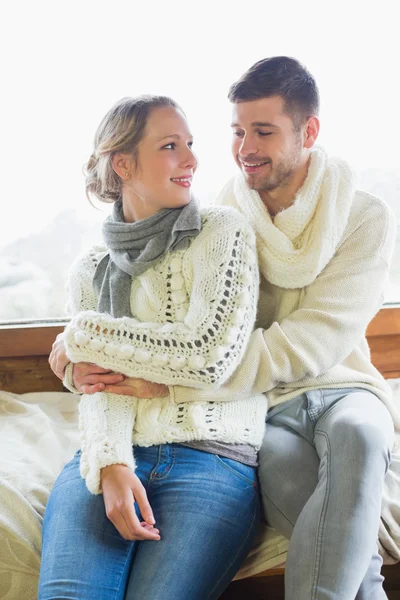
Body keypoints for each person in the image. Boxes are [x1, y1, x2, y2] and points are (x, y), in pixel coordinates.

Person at [49, 59, 400, 599]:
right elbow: (139, 343)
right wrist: (76, 352)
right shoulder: (221, 211)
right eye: (237, 131)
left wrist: (162, 376)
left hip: (336, 386)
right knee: (341, 538)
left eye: (263, 131)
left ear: (309, 132)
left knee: (358, 435)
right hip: (265, 405)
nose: (243, 148)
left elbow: (309, 338)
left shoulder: (358, 215)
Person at [38, 95, 268, 600]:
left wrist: (80, 337)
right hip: (113, 453)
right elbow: (99, 384)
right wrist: (111, 464)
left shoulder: (221, 232)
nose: (191, 160)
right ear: (123, 164)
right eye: (170, 146)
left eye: (190, 144)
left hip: (212, 460)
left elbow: (208, 353)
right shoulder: (91, 269)